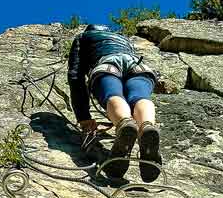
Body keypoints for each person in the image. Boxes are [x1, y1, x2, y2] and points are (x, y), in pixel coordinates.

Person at [67, 24, 162, 182]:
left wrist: (83, 117)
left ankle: (125, 124)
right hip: (139, 66)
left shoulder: (83, 37)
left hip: (107, 65)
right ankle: (147, 126)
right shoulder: (123, 39)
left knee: (113, 94)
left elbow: (75, 76)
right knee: (139, 97)